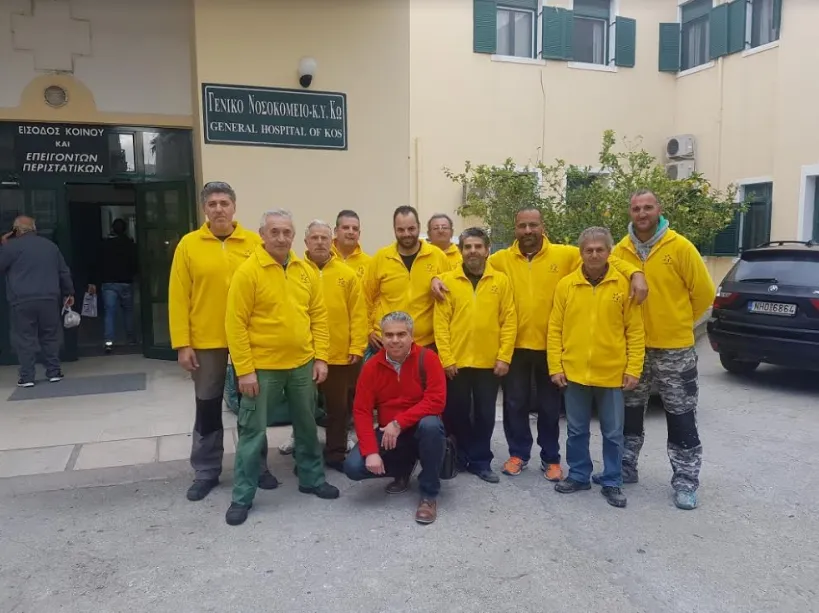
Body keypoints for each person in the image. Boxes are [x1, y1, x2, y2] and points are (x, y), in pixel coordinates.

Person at [432, 207, 647, 482]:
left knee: (549, 408)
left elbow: (604, 257)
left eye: (533, 225)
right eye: (522, 226)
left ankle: (551, 458)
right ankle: (518, 454)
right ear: (515, 228)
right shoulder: (500, 259)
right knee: (515, 405)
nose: (528, 231)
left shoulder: (564, 254)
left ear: (542, 226)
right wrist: (435, 278)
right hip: (516, 347)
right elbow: (466, 265)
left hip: (550, 346)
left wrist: (635, 273)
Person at [225, 209, 339, 526]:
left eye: (286, 232)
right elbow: (235, 324)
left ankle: (312, 479)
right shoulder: (248, 272)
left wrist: (320, 358)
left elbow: (318, 317)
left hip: (302, 365)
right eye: (274, 232)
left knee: (307, 425)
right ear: (262, 234)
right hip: (262, 369)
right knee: (252, 432)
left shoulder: (304, 271)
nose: (281, 238)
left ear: (293, 236)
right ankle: (242, 496)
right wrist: (244, 370)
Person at [168, 181, 276, 503]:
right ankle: (206, 471)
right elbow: (178, 296)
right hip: (206, 340)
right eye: (212, 203)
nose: (218, 209)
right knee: (207, 405)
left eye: (224, 203)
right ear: (204, 208)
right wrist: (183, 343)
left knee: (251, 405)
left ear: (234, 207)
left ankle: (256, 466)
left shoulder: (254, 243)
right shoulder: (189, 245)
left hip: (249, 337)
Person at [612, 189, 715, 510]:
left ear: (659, 209)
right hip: (634, 349)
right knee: (629, 412)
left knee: (681, 415)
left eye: (648, 207)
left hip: (675, 350)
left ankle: (685, 480)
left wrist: (677, 322)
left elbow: (704, 293)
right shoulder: (620, 250)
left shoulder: (680, 247)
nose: (642, 213)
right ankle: (626, 466)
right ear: (630, 212)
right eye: (636, 208)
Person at [548, 227, 645, 508]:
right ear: (581, 253)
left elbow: (635, 331)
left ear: (609, 252)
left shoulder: (623, 286)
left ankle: (612, 480)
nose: (593, 255)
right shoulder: (566, 285)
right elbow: (554, 329)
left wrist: (633, 369)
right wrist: (556, 366)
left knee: (613, 433)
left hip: (611, 373)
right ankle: (579, 475)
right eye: (588, 250)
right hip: (575, 371)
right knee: (576, 430)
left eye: (599, 249)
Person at [344, 311, 447, 525]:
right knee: (354, 467)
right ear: (382, 337)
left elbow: (436, 400)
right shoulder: (372, 366)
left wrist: (399, 422)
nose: (395, 340)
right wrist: (371, 452)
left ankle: (428, 494)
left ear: (411, 336)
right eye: (389, 335)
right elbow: (362, 411)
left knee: (431, 425)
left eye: (401, 334)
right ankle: (403, 469)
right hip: (389, 434)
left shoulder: (428, 358)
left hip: (420, 429)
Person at [433, 227, 516, 483]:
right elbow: (441, 324)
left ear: (487, 250)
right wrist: (447, 359)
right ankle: (460, 457)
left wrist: (504, 356)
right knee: (456, 413)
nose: (473, 251)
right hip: (456, 362)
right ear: (460, 251)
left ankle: (481, 461)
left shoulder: (501, 281)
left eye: (478, 246)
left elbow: (509, 320)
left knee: (485, 414)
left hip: (488, 363)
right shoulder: (447, 281)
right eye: (468, 247)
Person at [303, 219, 367, 471]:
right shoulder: (296, 271)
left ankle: (335, 453)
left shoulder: (346, 274)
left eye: (324, 238)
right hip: (304, 354)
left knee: (338, 409)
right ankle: (306, 457)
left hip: (340, 354)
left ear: (331, 241)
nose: (320, 242)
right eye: (314, 238)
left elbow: (358, 314)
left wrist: (357, 347)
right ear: (306, 241)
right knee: (304, 410)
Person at [363, 206, 449, 354]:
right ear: (394, 230)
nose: (406, 234)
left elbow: (451, 295)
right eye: (401, 230)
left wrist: (439, 278)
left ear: (419, 227)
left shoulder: (437, 256)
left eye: (411, 229)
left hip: (426, 344)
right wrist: (368, 330)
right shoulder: (381, 258)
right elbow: (365, 298)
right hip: (387, 343)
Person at [0, 216, 74, 386]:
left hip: (22, 300)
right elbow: (63, 272)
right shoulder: (50, 246)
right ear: (34, 228)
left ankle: (27, 377)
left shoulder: (11, 247)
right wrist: (69, 293)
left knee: (25, 339)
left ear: (16, 230)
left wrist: (3, 245)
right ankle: (54, 372)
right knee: (50, 336)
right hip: (49, 298)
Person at [87, 218, 138, 352]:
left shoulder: (104, 245)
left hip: (109, 282)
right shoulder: (130, 245)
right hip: (126, 281)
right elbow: (135, 263)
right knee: (128, 311)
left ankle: (109, 341)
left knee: (110, 313)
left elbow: (96, 263)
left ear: (112, 229)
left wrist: (93, 281)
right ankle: (131, 339)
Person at [331, 210, 371, 279]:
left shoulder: (369, 264)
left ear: (359, 234)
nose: (351, 232)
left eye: (355, 229)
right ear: (336, 231)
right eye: (346, 228)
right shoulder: (323, 258)